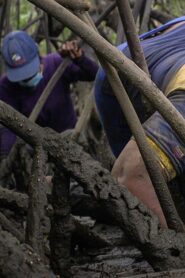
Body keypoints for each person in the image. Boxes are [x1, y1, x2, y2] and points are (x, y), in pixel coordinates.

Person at [94, 16, 185, 227]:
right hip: (122, 75)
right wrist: (174, 247)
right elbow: (131, 175)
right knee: (129, 190)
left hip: (147, 49)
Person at [0, 30, 98, 158]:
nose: (27, 79)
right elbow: (9, 127)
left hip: (71, 140)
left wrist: (79, 58)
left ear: (38, 56)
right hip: (36, 149)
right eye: (21, 77)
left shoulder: (56, 63)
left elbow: (94, 74)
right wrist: (7, 157)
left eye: (29, 72)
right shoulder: (6, 86)